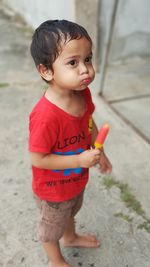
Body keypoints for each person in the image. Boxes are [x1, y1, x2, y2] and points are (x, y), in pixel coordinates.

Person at [29, 19, 112, 267]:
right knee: (50, 229)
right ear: (46, 71)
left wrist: (101, 150)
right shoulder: (45, 116)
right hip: (52, 189)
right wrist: (78, 159)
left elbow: (89, 123)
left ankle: (71, 236)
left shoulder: (81, 94)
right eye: (73, 62)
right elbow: (37, 158)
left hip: (75, 180)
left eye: (87, 59)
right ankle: (56, 261)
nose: (85, 69)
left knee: (71, 211)